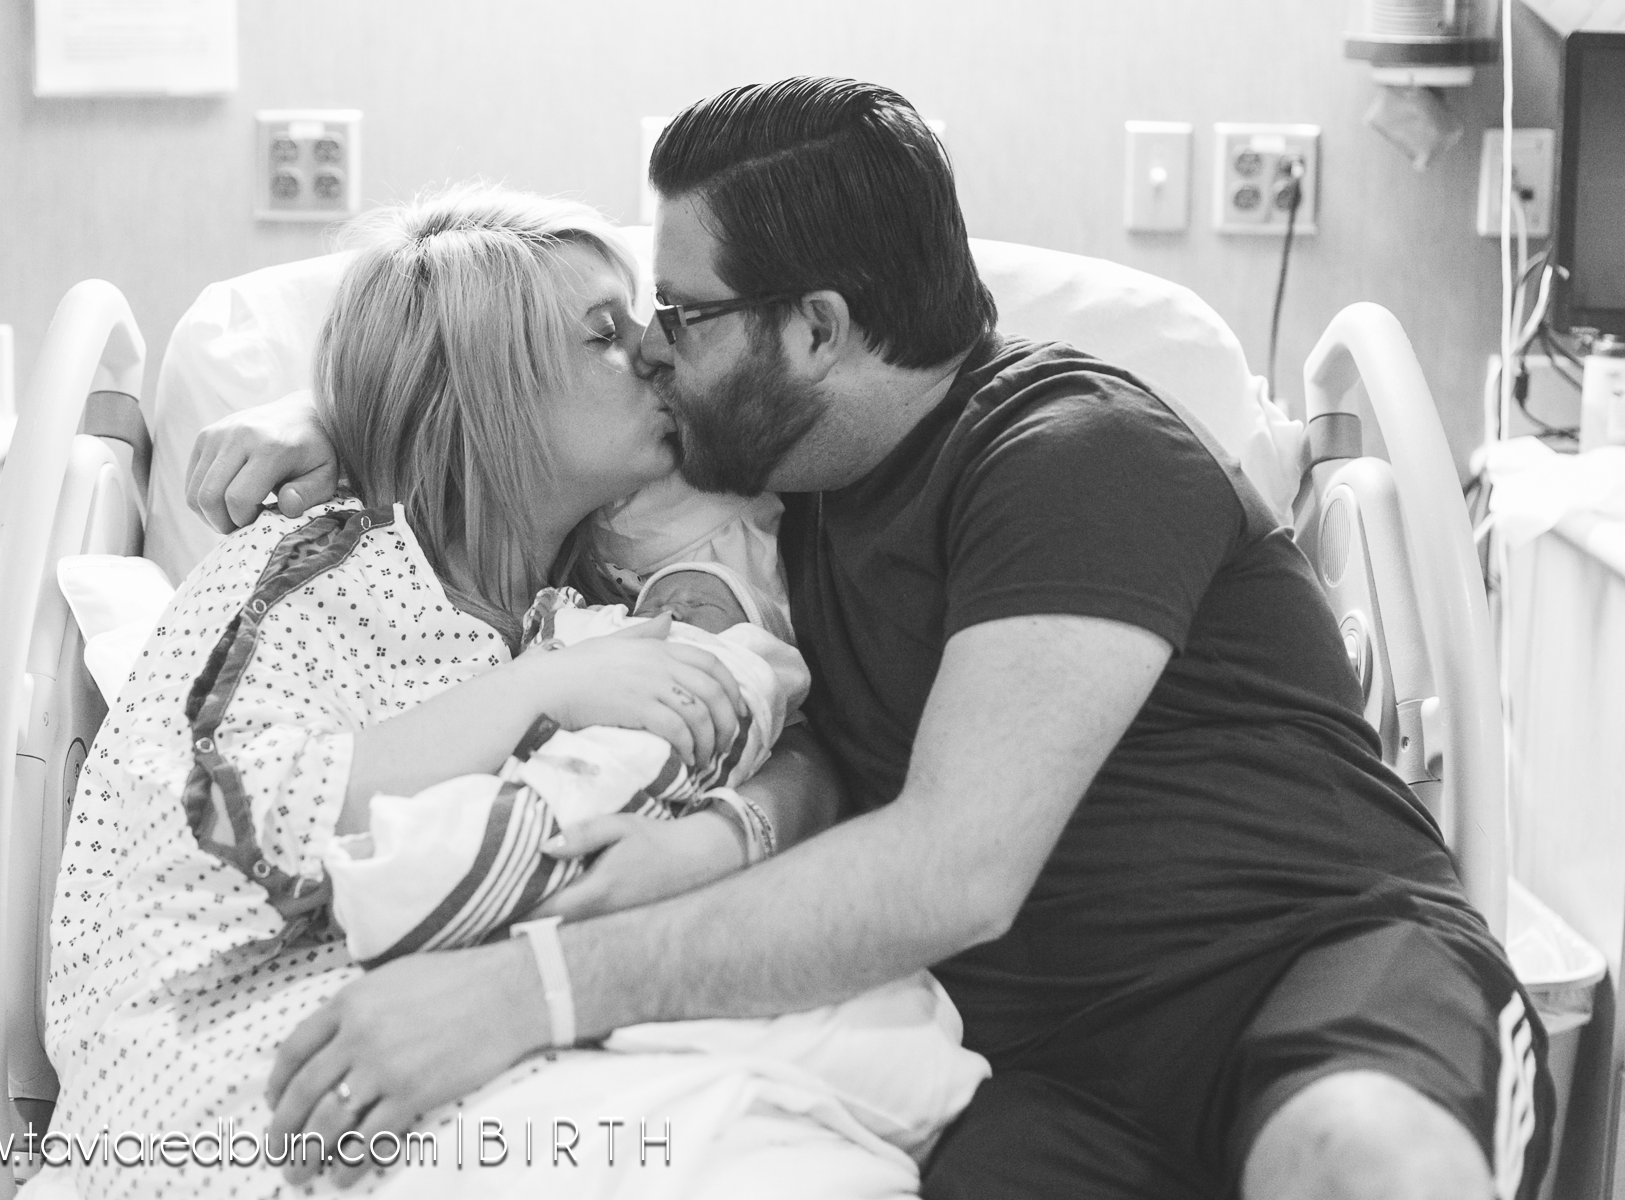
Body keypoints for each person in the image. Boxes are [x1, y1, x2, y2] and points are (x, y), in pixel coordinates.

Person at [196, 81, 1553, 1200]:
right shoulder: (774, 483)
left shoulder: (1073, 457)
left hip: (1314, 968)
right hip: (1053, 1080)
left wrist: (524, 992)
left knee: (1351, 1163)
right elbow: (521, 381)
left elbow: (956, 868)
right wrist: (349, 423)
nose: (656, 352)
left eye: (683, 318)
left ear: (817, 329)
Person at [37, 185, 1001, 1199]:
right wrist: (551, 687)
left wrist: (718, 834)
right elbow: (220, 807)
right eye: (604, 334)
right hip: (252, 1056)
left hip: (504, 1016)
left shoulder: (612, 595)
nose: (655, 353)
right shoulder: (314, 567)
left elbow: (784, 740)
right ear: (485, 390)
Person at [323, 561, 810, 966]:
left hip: (644, 749)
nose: (672, 610)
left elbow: (776, 683)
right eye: (654, 603)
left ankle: (399, 881)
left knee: (566, 814)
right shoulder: (602, 630)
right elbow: (560, 636)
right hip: (549, 739)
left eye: (702, 605)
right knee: (500, 796)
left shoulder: (742, 656)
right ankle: (401, 869)